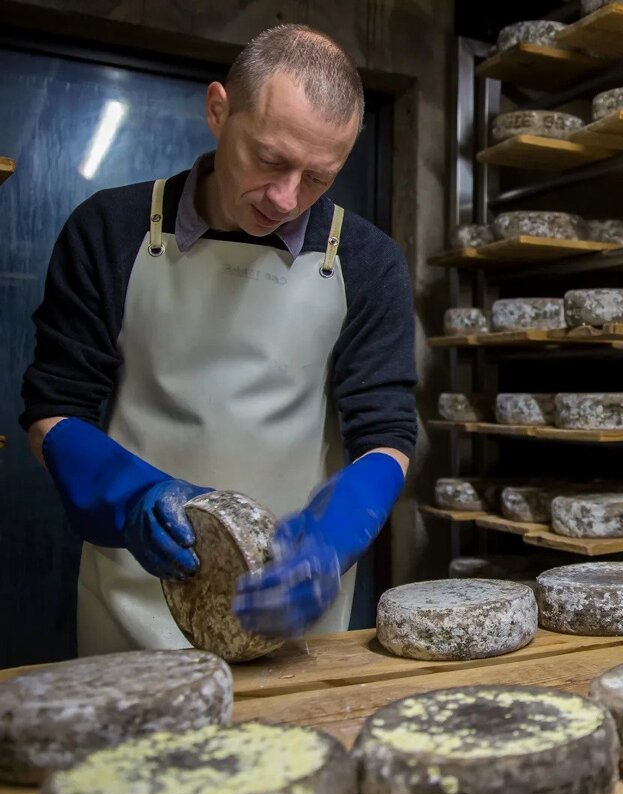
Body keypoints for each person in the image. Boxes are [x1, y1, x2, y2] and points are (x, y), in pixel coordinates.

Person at [19, 24, 417, 655]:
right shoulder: (111, 229)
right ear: (218, 110)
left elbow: (387, 435)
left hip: (288, 617)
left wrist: (331, 537)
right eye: (270, 159)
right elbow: (52, 408)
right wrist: (133, 497)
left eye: (318, 177)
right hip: (134, 608)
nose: (287, 198)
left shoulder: (366, 261)